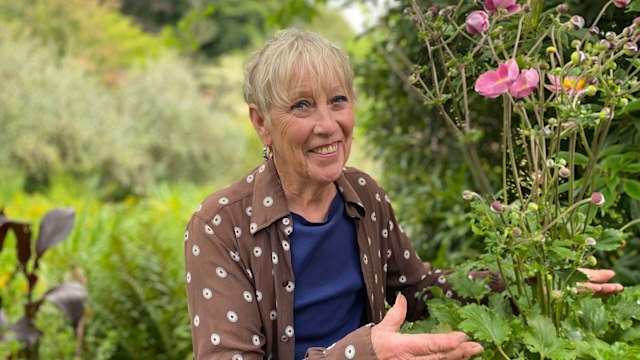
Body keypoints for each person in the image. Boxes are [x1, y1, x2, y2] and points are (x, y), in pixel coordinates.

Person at [183, 28, 623, 360]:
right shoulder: (222, 227)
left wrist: (529, 279)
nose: (328, 124)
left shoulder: (361, 195)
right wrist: (362, 352)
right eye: (301, 105)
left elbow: (417, 291)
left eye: (338, 100)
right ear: (261, 122)